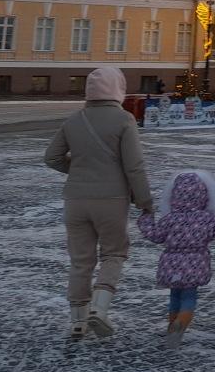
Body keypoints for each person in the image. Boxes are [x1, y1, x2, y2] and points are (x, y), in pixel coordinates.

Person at [44, 67, 152, 339]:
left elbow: (52, 158)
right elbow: (134, 166)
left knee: (81, 261)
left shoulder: (74, 120)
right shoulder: (124, 120)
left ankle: (78, 321)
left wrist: (80, 171)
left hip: (75, 200)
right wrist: (144, 200)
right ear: (118, 89)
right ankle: (99, 309)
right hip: (112, 199)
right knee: (114, 253)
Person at [138, 171, 215, 348]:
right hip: (196, 264)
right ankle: (181, 324)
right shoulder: (205, 219)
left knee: (175, 295)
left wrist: (146, 218)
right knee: (189, 297)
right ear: (204, 196)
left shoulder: (169, 219)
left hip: (171, 264)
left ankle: (171, 325)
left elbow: (155, 235)